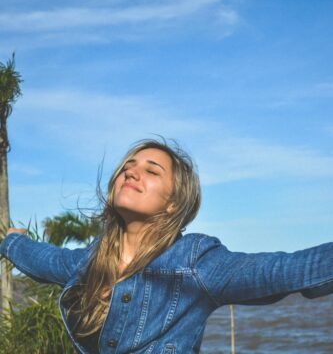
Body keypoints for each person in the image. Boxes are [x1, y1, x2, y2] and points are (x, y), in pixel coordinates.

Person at [1, 138, 333, 354]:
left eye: (151, 171)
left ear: (173, 203)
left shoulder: (196, 264)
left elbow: (289, 270)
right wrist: (13, 240)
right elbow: (41, 258)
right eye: (127, 168)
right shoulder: (90, 262)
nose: (131, 173)